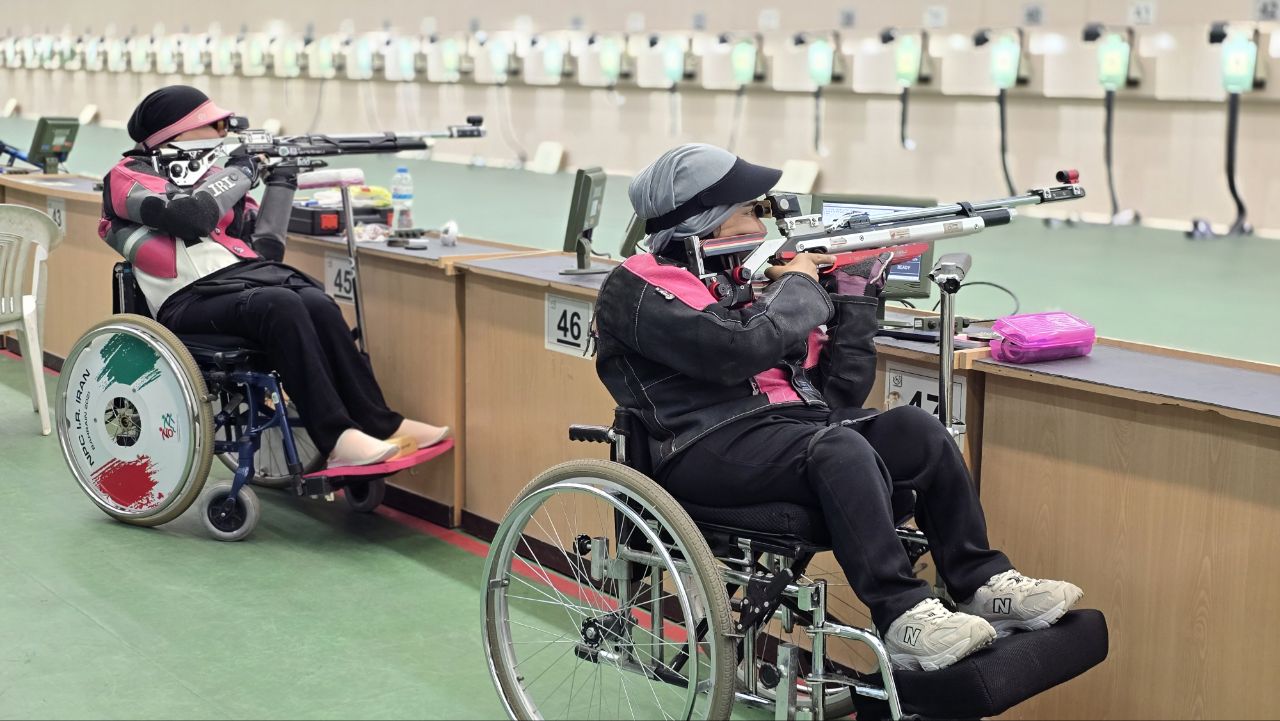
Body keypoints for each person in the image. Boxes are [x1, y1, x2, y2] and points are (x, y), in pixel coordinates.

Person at [593, 143, 1083, 672]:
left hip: (787, 430)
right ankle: (903, 615)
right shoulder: (640, 285)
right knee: (838, 448)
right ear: (707, 218)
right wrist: (799, 283)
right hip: (702, 446)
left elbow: (835, 397)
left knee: (916, 429)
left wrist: (855, 299)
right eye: (752, 210)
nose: (764, 222)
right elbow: (735, 349)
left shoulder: (743, 280)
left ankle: (980, 582)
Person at [98, 85, 449, 468]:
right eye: (216, 124)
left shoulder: (213, 176)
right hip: (184, 301)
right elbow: (190, 216)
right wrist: (240, 172)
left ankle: (382, 424)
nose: (224, 132)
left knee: (317, 301)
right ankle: (337, 439)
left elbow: (265, 250)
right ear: (177, 132)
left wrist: (282, 181)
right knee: (280, 305)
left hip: (240, 283)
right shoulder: (127, 176)